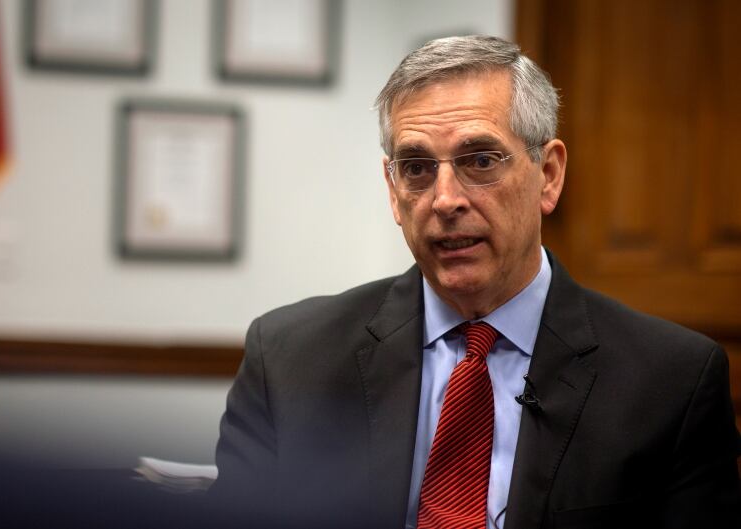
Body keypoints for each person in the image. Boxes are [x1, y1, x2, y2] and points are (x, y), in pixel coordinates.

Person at [210, 35, 741, 529]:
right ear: (393, 192)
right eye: (416, 168)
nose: (445, 200)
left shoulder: (672, 383)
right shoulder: (288, 360)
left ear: (548, 176)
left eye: (480, 160)